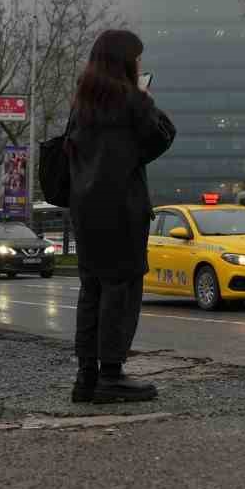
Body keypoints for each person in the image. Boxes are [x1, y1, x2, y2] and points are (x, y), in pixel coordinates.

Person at [65, 29, 175, 404]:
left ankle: (86, 377)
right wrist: (145, 99)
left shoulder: (82, 103)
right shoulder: (131, 101)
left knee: (92, 289)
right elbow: (163, 136)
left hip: (85, 210)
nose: (140, 64)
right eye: (137, 58)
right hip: (122, 209)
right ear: (125, 62)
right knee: (121, 290)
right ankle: (111, 376)